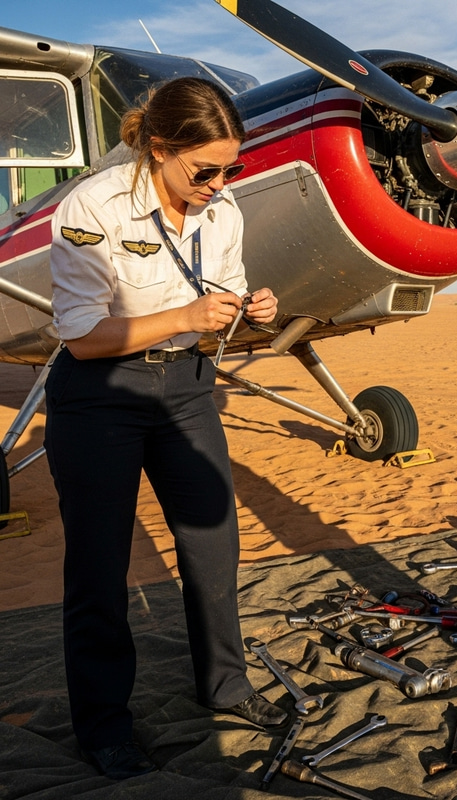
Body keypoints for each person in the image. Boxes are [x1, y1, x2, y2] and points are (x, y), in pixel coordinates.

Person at [44, 77, 286, 781]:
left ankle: (226, 687)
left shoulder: (225, 210)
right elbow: (84, 336)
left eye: (230, 168)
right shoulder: (91, 205)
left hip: (187, 389)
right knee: (99, 566)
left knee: (213, 545)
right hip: (100, 394)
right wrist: (185, 317)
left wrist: (251, 310)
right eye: (203, 169)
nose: (218, 183)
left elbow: (221, 302)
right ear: (159, 148)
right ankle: (104, 726)